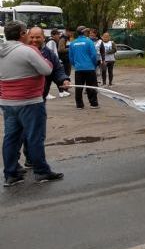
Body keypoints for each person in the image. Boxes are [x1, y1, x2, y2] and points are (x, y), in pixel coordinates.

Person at [0, 21, 63, 186]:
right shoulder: (28, 51)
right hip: (30, 102)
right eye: (26, 32)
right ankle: (42, 172)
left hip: (8, 103)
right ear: (22, 34)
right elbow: (47, 70)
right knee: (35, 137)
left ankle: (11, 174)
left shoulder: (1, 51)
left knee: (11, 138)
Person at [70, 26, 99, 109]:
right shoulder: (89, 42)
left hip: (78, 68)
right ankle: (93, 103)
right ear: (84, 32)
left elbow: (71, 57)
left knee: (79, 87)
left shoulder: (73, 43)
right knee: (91, 86)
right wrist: (94, 64)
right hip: (90, 67)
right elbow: (93, 55)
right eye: (87, 31)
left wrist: (75, 65)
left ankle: (79, 105)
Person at [56, 29, 72, 98]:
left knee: (67, 73)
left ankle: (65, 88)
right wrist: (70, 49)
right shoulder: (63, 39)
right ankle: (63, 89)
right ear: (67, 32)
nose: (71, 33)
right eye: (70, 32)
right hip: (64, 59)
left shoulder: (67, 39)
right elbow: (60, 49)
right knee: (65, 74)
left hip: (67, 59)